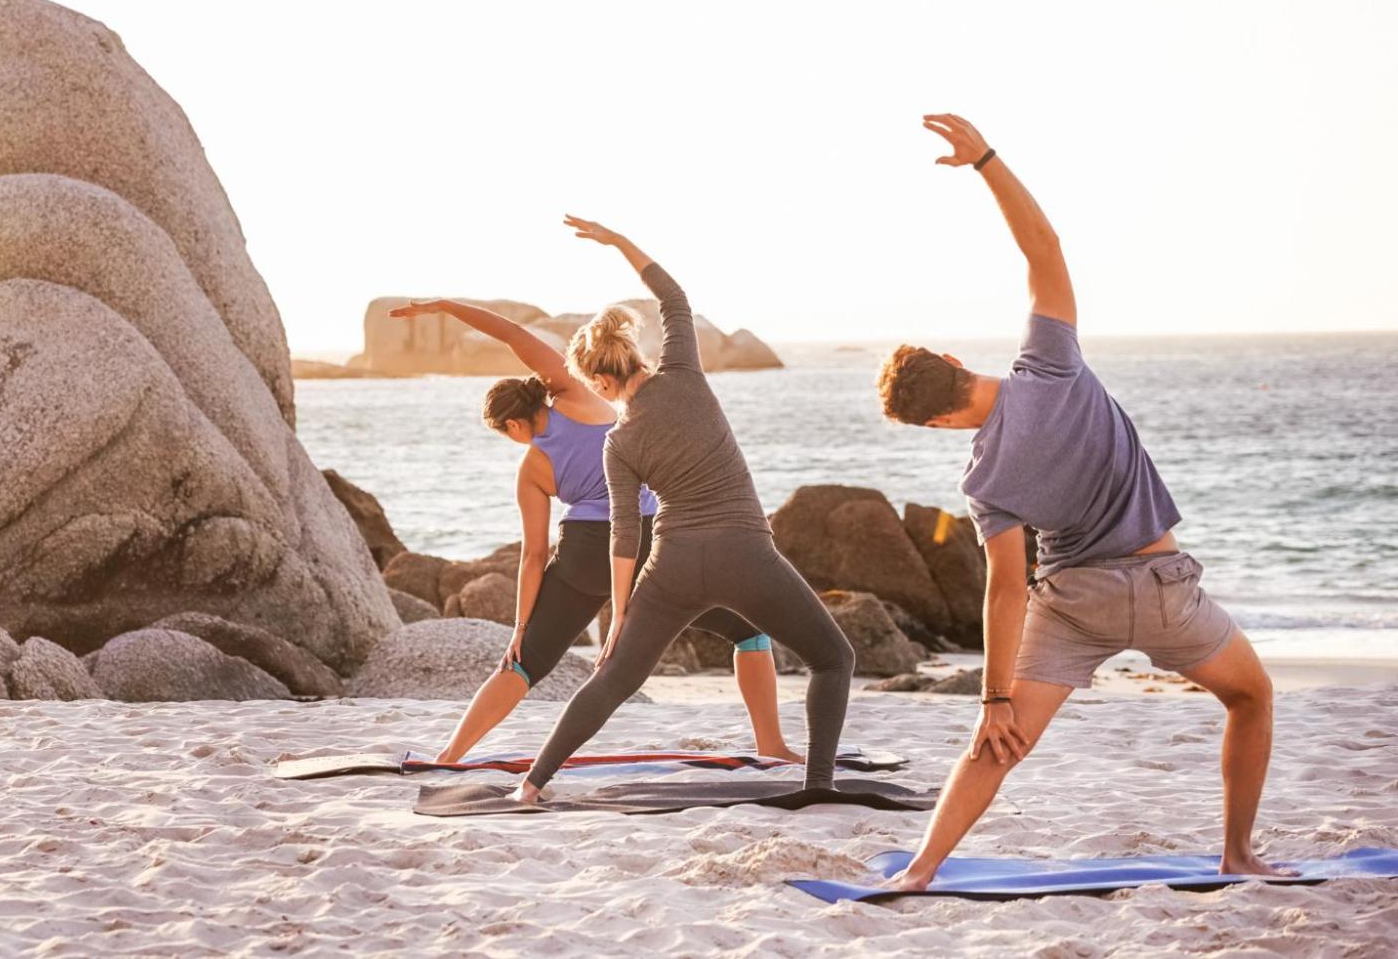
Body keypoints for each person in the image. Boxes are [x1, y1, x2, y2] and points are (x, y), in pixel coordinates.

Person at [879, 114, 1282, 889]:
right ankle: (1238, 854)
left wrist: (994, 697)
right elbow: (1043, 249)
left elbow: (1003, 588)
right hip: (1163, 591)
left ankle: (922, 869)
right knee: (1251, 696)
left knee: (998, 742)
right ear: (956, 360)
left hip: (1070, 606)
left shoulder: (982, 481)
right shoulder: (1052, 363)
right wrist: (986, 161)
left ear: (935, 421)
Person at [510, 219, 856, 803]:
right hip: (745, 553)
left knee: (614, 677)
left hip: (671, 563)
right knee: (833, 658)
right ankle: (817, 785)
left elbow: (625, 535)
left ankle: (532, 785)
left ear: (600, 379)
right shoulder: (686, 372)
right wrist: (618, 242)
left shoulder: (618, 443)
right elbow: (674, 297)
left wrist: (620, 616)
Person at [386, 297, 799, 764]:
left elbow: (533, 556)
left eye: (507, 434)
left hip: (584, 556)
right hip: (645, 542)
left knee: (523, 663)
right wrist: (445, 306)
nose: (513, 442)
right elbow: (514, 335)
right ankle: (772, 745)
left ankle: (450, 754)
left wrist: (520, 627)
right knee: (749, 632)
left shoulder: (532, 469)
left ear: (514, 423)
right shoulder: (578, 392)